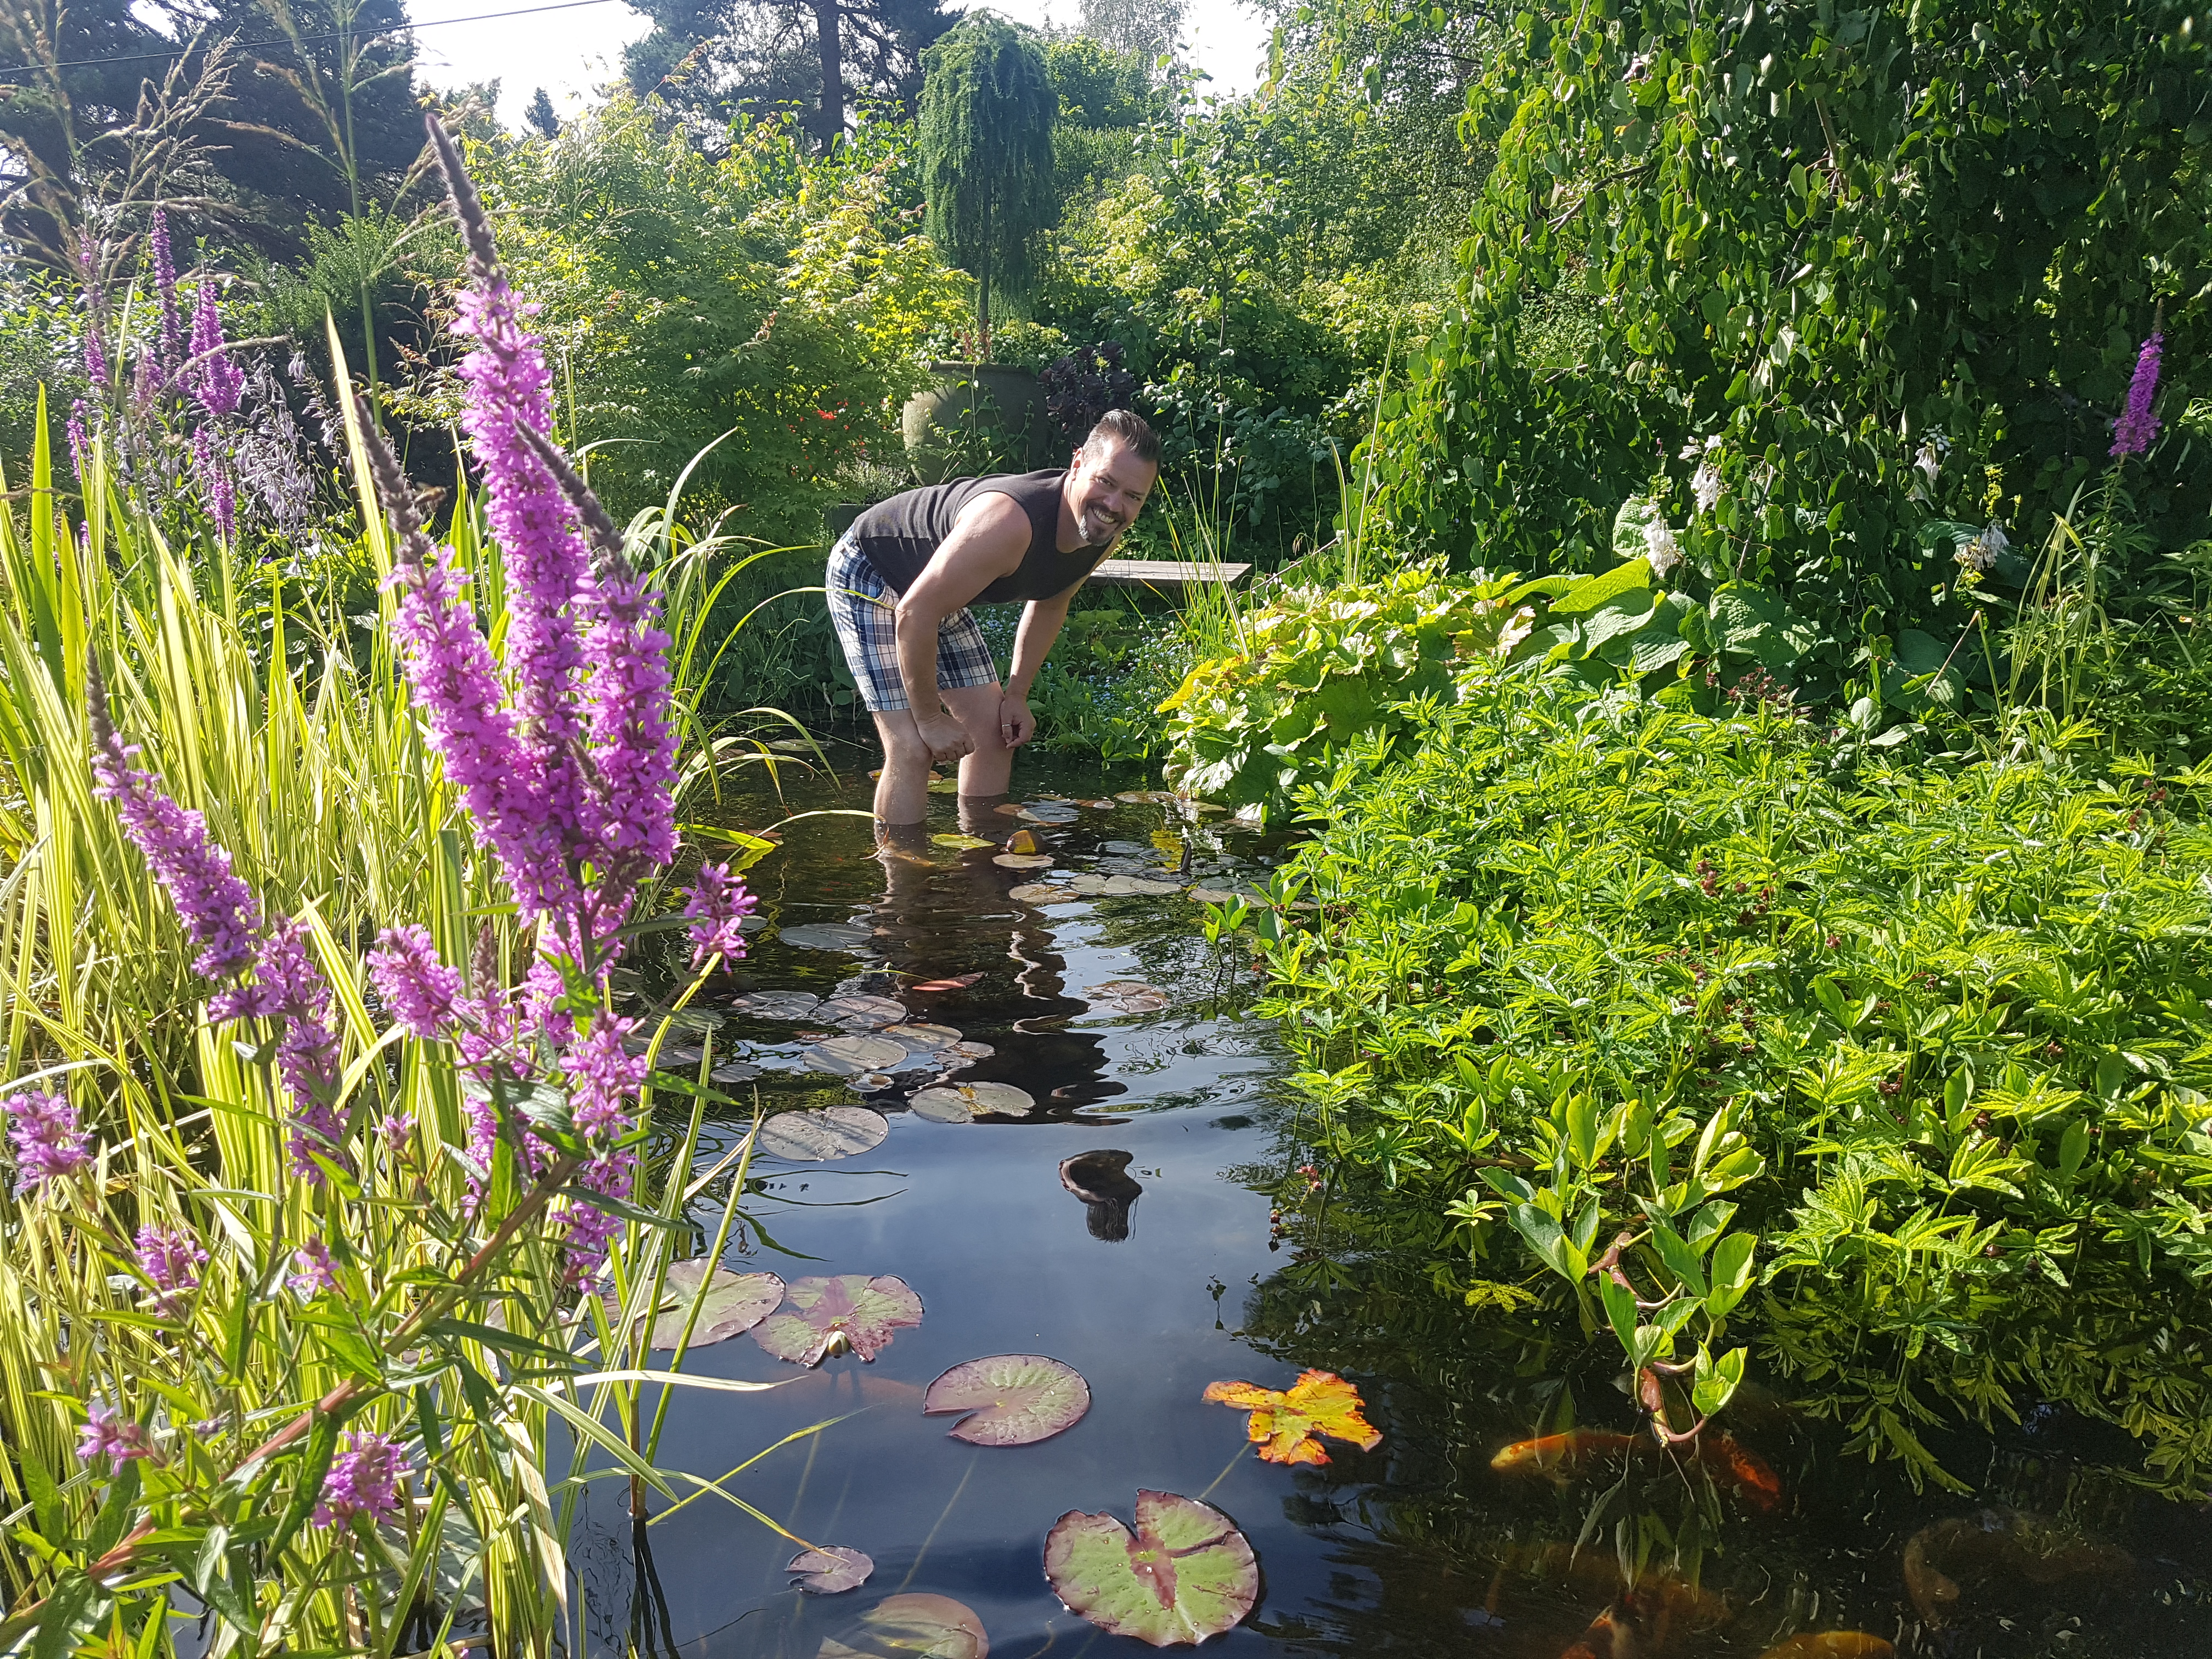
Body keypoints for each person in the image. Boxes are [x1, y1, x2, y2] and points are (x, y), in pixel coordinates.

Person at [826, 409, 1161, 825]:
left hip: (933, 595)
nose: (1114, 506)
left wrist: (1017, 694)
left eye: (1134, 496)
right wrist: (930, 719)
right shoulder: (1009, 522)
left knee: (995, 733)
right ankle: (904, 882)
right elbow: (915, 611)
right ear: (1078, 464)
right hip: (873, 571)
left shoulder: (1101, 533)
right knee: (913, 747)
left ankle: (981, 871)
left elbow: (1051, 603)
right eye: (1106, 482)